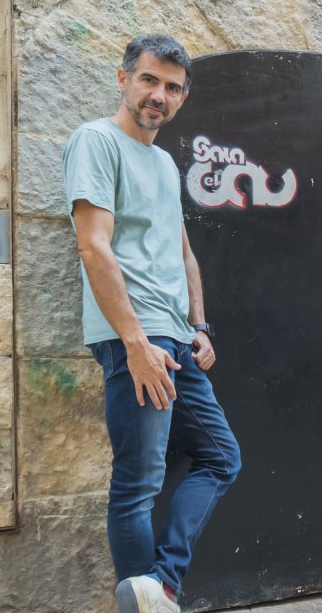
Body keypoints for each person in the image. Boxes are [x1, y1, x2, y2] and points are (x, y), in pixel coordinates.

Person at [64, 34, 241, 613]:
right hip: (134, 338)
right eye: (148, 80)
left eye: (171, 87)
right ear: (123, 79)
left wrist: (200, 325)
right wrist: (135, 342)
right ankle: (155, 596)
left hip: (174, 339)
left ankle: (159, 588)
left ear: (182, 98)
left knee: (221, 456)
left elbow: (183, 250)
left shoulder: (165, 161)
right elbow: (94, 248)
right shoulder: (96, 141)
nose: (157, 95)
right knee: (138, 483)